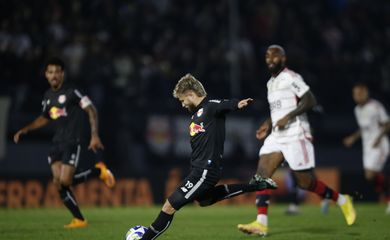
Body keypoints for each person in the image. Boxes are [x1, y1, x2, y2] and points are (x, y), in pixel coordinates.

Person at [139, 73, 278, 240]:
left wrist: (237, 104)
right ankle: (257, 186)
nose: (182, 104)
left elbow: (223, 105)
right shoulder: (197, 114)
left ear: (190, 94)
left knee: (169, 206)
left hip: (204, 170)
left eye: (182, 100)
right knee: (204, 200)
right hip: (200, 169)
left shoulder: (210, 107)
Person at [237, 45, 356, 236]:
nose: (270, 59)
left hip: (296, 134)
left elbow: (310, 100)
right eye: (267, 55)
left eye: (274, 55)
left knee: (305, 182)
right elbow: (277, 111)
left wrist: (289, 117)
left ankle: (342, 200)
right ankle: (261, 223)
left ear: (283, 59)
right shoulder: (270, 83)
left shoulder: (291, 77)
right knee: (262, 174)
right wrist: (268, 123)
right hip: (277, 135)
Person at [13, 57, 115, 228]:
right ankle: (79, 220)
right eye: (50, 72)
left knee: (65, 181)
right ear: (46, 74)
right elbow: (44, 118)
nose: (54, 75)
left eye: (57, 72)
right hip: (56, 142)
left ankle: (98, 171)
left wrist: (94, 135)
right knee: (58, 182)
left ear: (62, 74)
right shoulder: (47, 96)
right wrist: (26, 129)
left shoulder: (72, 92)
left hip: (72, 141)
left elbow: (91, 109)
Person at [343, 82, 390, 214]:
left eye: (359, 93)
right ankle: (386, 197)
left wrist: (378, 138)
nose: (356, 96)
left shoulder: (375, 106)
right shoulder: (357, 110)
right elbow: (363, 129)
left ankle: (388, 199)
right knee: (370, 176)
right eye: (354, 94)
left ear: (365, 93)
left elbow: (387, 124)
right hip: (367, 146)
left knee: (370, 174)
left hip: (379, 145)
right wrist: (352, 138)